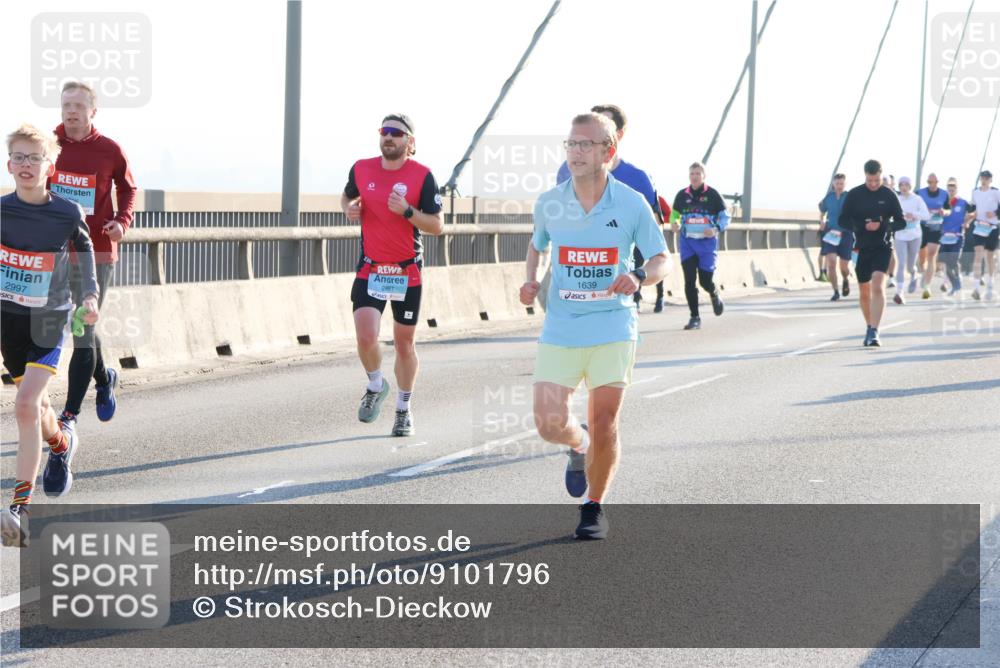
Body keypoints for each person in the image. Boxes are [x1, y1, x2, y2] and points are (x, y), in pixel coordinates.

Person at [520, 113, 668, 540]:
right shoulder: (551, 201)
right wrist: (532, 278)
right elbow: (538, 245)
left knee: (605, 421)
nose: (576, 152)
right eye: (571, 144)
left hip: (613, 325)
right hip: (562, 326)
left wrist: (639, 276)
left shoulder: (630, 203)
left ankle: (593, 507)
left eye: (586, 144)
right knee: (548, 423)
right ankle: (578, 444)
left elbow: (662, 258)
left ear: (609, 150)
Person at [1, 124, 100, 547]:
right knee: (38, 408)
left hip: (49, 320)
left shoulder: (66, 212)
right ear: (9, 164)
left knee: (24, 404)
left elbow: (85, 254)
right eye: (19, 157)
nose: (26, 165)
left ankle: (19, 507)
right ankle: (61, 443)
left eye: (34, 158)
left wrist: (90, 295)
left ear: (50, 167)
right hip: (9, 323)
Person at [341, 114, 444, 437]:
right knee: (366, 335)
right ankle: (375, 384)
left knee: (404, 344)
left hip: (406, 271)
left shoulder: (423, 177)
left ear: (409, 143)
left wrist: (408, 212)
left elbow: (438, 226)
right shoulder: (361, 168)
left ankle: (403, 408)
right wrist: (349, 208)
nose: (389, 137)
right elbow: (348, 195)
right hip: (371, 267)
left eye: (397, 133)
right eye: (384, 131)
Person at [52, 82, 135, 435]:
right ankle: (105, 377)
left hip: (97, 251)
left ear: (92, 111)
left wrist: (122, 221)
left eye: (79, 106)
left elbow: (128, 188)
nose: (71, 111)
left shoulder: (109, 150)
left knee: (82, 325)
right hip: (54, 253)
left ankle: (68, 416)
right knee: (80, 325)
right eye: (66, 104)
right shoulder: (48, 146)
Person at [556, 105, 666, 312]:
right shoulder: (567, 170)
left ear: (620, 134)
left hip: (624, 269)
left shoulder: (638, 178)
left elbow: (656, 230)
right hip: (578, 266)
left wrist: (642, 272)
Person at [839, 160, 907, 346]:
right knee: (864, 291)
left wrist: (885, 226)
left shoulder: (888, 194)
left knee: (878, 283)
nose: (874, 184)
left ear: (881, 176)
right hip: (861, 247)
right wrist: (861, 226)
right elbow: (842, 220)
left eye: (877, 180)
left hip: (883, 246)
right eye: (870, 180)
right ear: (865, 176)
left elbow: (901, 222)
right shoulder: (854, 194)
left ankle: (875, 330)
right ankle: (869, 325)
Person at [670, 162, 729, 330]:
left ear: (704, 176)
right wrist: (674, 223)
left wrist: (716, 228)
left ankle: (714, 292)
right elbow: (674, 215)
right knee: (689, 281)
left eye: (697, 173)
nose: (694, 177)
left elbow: (725, 217)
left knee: (705, 281)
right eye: (692, 174)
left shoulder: (713, 195)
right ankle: (694, 317)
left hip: (707, 246)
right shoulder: (682, 195)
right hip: (687, 243)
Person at [892, 177, 929, 305]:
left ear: (910, 186)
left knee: (909, 265)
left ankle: (914, 274)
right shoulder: (896, 199)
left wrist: (914, 215)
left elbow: (926, 215)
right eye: (901, 184)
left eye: (906, 184)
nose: (903, 187)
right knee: (901, 263)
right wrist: (900, 217)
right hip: (900, 235)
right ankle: (900, 293)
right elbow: (891, 214)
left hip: (915, 235)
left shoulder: (917, 199)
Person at [818, 174, 853, 301]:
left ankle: (845, 279)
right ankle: (835, 291)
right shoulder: (829, 197)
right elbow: (822, 211)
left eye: (841, 184)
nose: (839, 186)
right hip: (832, 233)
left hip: (846, 234)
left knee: (844, 268)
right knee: (831, 263)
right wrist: (821, 221)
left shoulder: (850, 197)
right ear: (833, 184)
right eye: (837, 183)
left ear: (845, 184)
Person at [916, 173, 950, 299]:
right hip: (922, 227)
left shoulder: (944, 194)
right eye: (929, 182)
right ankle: (924, 275)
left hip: (936, 227)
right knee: (922, 260)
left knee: (931, 255)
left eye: (933, 182)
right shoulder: (919, 193)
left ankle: (927, 286)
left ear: (937, 182)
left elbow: (948, 209)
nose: (931, 184)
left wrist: (944, 212)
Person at [968, 170, 999, 301]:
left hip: (992, 227)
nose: (984, 180)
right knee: (978, 255)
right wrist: (970, 216)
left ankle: (990, 286)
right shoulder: (975, 192)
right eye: (982, 178)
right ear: (980, 179)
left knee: (990, 257)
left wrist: (995, 213)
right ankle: (976, 288)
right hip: (979, 227)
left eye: (987, 178)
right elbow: (973, 208)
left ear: (991, 180)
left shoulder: (996, 192)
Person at [938, 178, 970, 296]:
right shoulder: (943, 203)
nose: (951, 191)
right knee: (946, 263)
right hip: (945, 237)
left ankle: (957, 282)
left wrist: (967, 222)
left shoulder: (963, 202)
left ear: (956, 189)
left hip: (957, 236)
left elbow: (973, 213)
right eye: (949, 189)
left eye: (953, 189)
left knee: (953, 261)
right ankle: (955, 283)